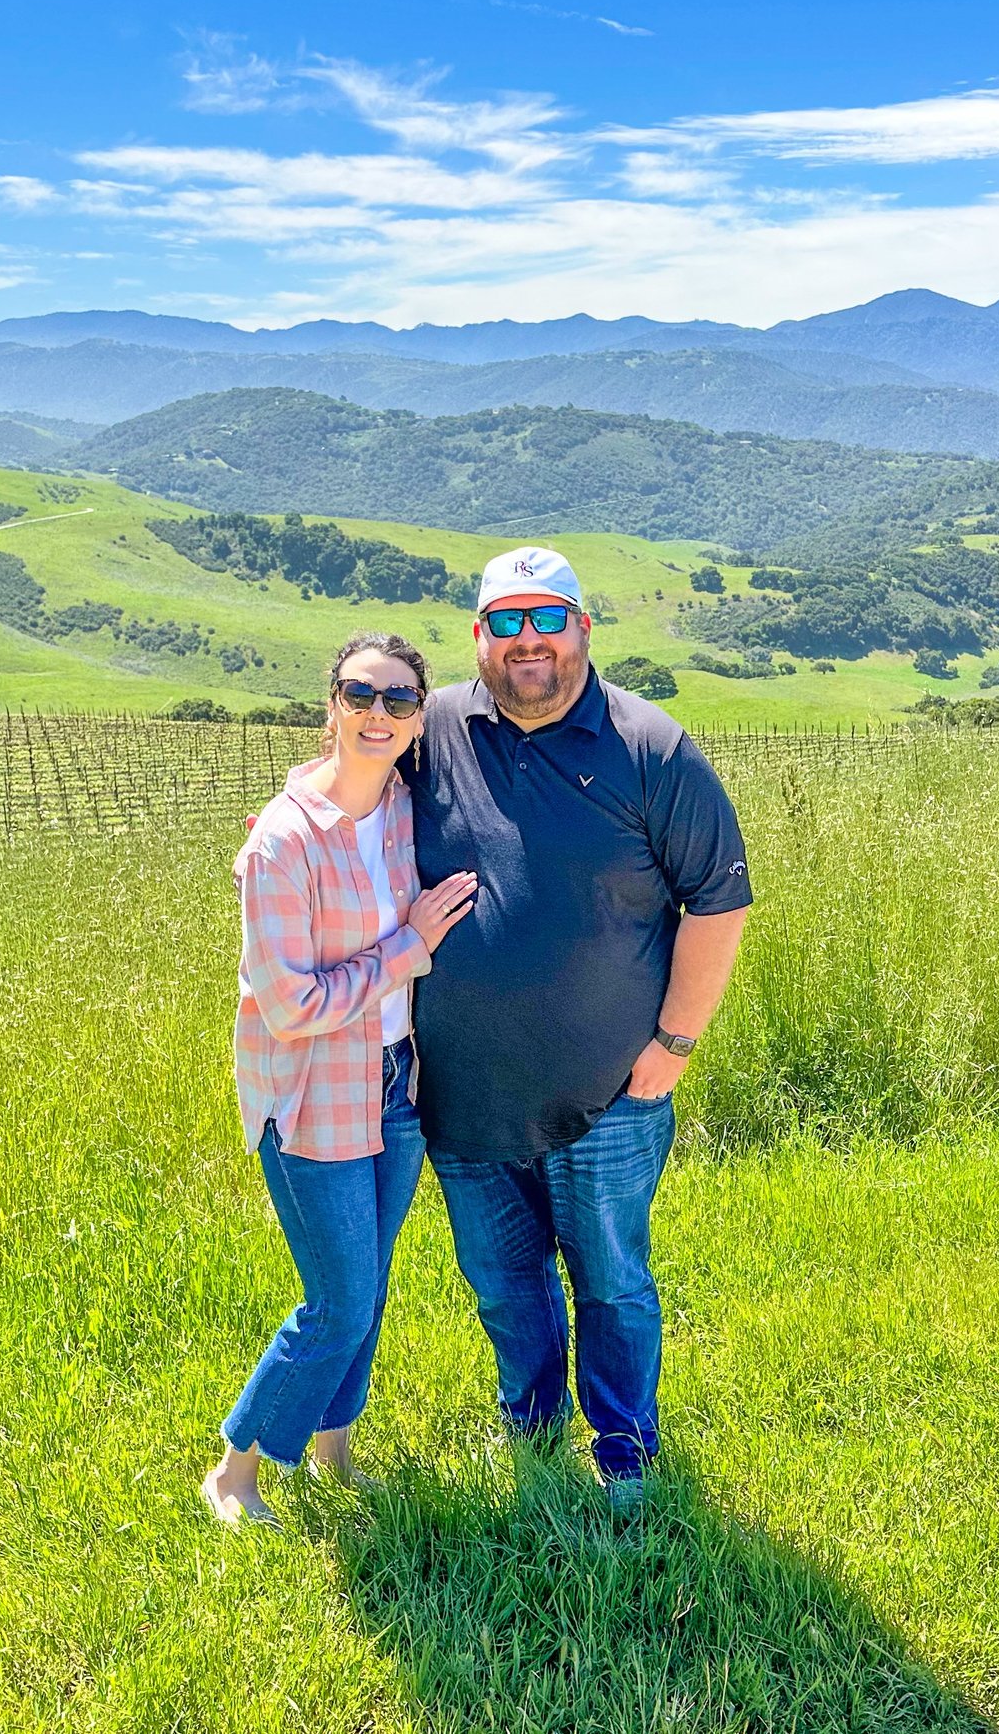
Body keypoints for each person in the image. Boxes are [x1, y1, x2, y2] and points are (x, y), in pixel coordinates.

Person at [405, 546, 752, 1502]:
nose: (529, 640)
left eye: (547, 618)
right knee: (503, 1285)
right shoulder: (434, 731)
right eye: (507, 621)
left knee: (611, 1282)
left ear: (583, 630)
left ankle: (624, 1453)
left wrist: (674, 1044)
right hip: (463, 1094)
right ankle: (531, 1431)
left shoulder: (651, 748)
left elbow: (718, 902)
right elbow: (347, 783)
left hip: (610, 1093)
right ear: (479, 636)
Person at [202, 632, 480, 1528]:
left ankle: (335, 1457)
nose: (377, 714)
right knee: (339, 1301)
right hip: (311, 1094)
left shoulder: (401, 806)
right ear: (332, 704)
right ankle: (234, 1474)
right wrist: (408, 948)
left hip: (395, 1085)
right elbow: (290, 1005)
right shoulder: (282, 843)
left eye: (399, 700)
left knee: (370, 1288)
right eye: (360, 694)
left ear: (417, 720)